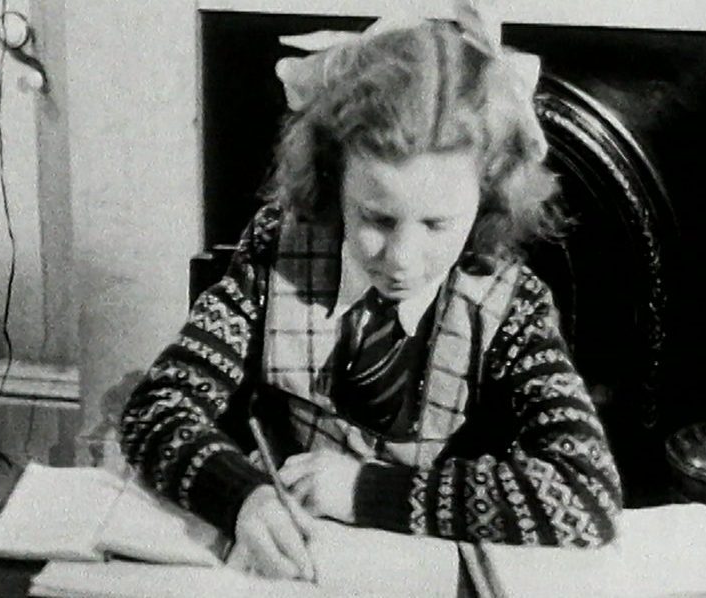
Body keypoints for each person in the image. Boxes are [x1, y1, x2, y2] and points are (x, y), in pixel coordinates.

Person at [120, 2, 622, 582]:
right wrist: (240, 497)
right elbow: (157, 408)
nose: (402, 259)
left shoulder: (511, 307)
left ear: (487, 199)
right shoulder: (274, 256)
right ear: (333, 181)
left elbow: (586, 493)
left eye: (437, 225)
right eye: (377, 219)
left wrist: (367, 491)